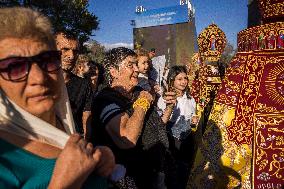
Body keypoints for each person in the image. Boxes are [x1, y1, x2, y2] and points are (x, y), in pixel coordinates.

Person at [0, 7, 115, 189]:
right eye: (15, 67)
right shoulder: (5, 159)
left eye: (47, 60)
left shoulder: (62, 120)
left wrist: (97, 156)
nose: (39, 78)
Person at [90, 47, 177, 188]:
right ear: (114, 71)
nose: (137, 69)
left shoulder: (138, 92)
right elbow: (127, 138)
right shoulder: (106, 99)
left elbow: (158, 125)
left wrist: (170, 107)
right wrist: (142, 103)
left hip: (158, 171)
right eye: (131, 65)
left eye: (136, 64)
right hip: (131, 179)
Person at [157, 66, 199, 189]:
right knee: (172, 171)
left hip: (187, 140)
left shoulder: (191, 99)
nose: (183, 81)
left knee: (185, 170)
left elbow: (191, 117)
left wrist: (193, 120)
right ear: (172, 80)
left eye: (185, 78)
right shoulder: (165, 99)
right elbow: (161, 121)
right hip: (171, 140)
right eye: (179, 79)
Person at [56, 32, 93, 135]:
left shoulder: (84, 85)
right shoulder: (39, 83)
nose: (71, 56)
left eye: (75, 51)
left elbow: (86, 119)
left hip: (73, 143)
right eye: (65, 50)